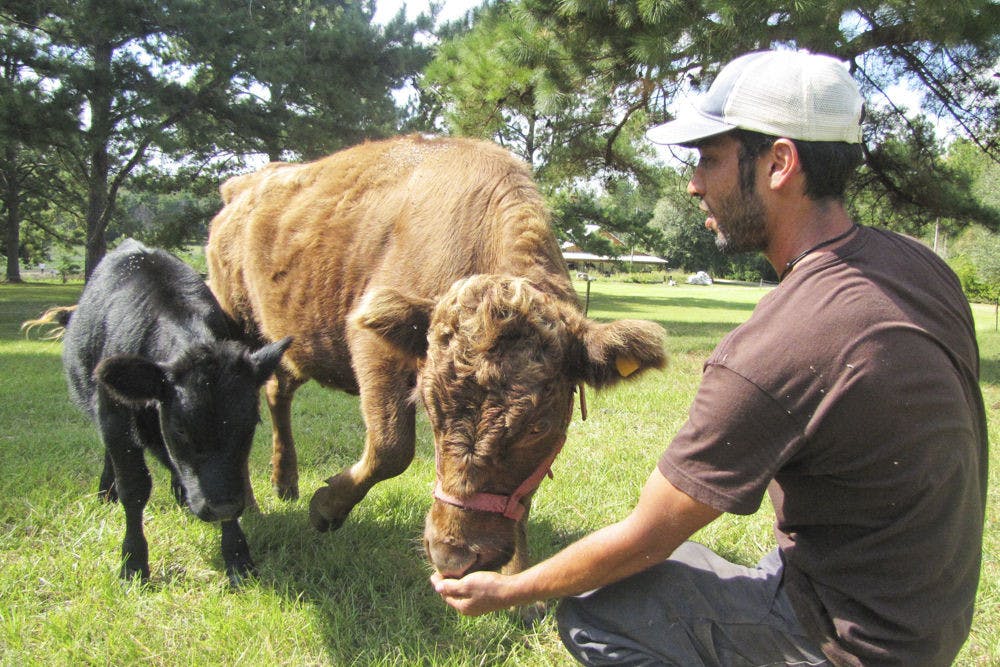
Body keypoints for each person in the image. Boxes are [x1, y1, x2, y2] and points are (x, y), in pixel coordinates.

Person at [431, 50, 987, 666]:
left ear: (779, 163)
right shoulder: (920, 267)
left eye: (709, 158)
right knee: (679, 569)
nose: (694, 182)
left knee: (597, 609)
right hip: (924, 617)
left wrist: (509, 587)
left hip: (851, 645)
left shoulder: (781, 346)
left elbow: (649, 535)